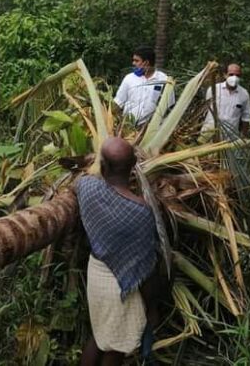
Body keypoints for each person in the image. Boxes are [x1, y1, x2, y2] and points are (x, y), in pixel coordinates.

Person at [76, 138, 160, 366]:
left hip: (96, 273)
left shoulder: (87, 188)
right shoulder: (141, 211)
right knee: (115, 349)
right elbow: (146, 268)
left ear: (102, 166)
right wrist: (152, 308)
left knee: (100, 336)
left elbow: (84, 179)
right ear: (134, 165)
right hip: (120, 286)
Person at [114, 46, 175, 125]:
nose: (133, 63)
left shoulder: (164, 80)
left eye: (136, 61)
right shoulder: (129, 78)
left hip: (153, 129)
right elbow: (118, 102)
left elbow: (169, 107)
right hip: (128, 128)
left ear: (146, 62)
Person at [201, 63, 250, 140]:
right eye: (231, 74)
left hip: (230, 137)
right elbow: (205, 110)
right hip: (209, 134)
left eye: (237, 75)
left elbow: (246, 117)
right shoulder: (214, 89)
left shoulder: (244, 94)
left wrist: (243, 136)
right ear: (225, 75)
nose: (234, 77)